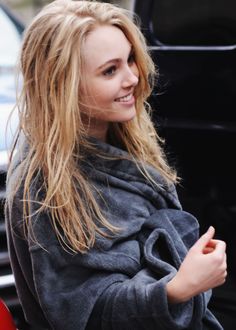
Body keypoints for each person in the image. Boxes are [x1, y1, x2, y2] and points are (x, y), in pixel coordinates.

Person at [5, 0, 227, 329]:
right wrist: (177, 290)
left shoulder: (121, 134)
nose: (132, 78)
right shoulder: (46, 185)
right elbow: (80, 313)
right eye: (110, 70)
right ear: (62, 84)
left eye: (130, 60)